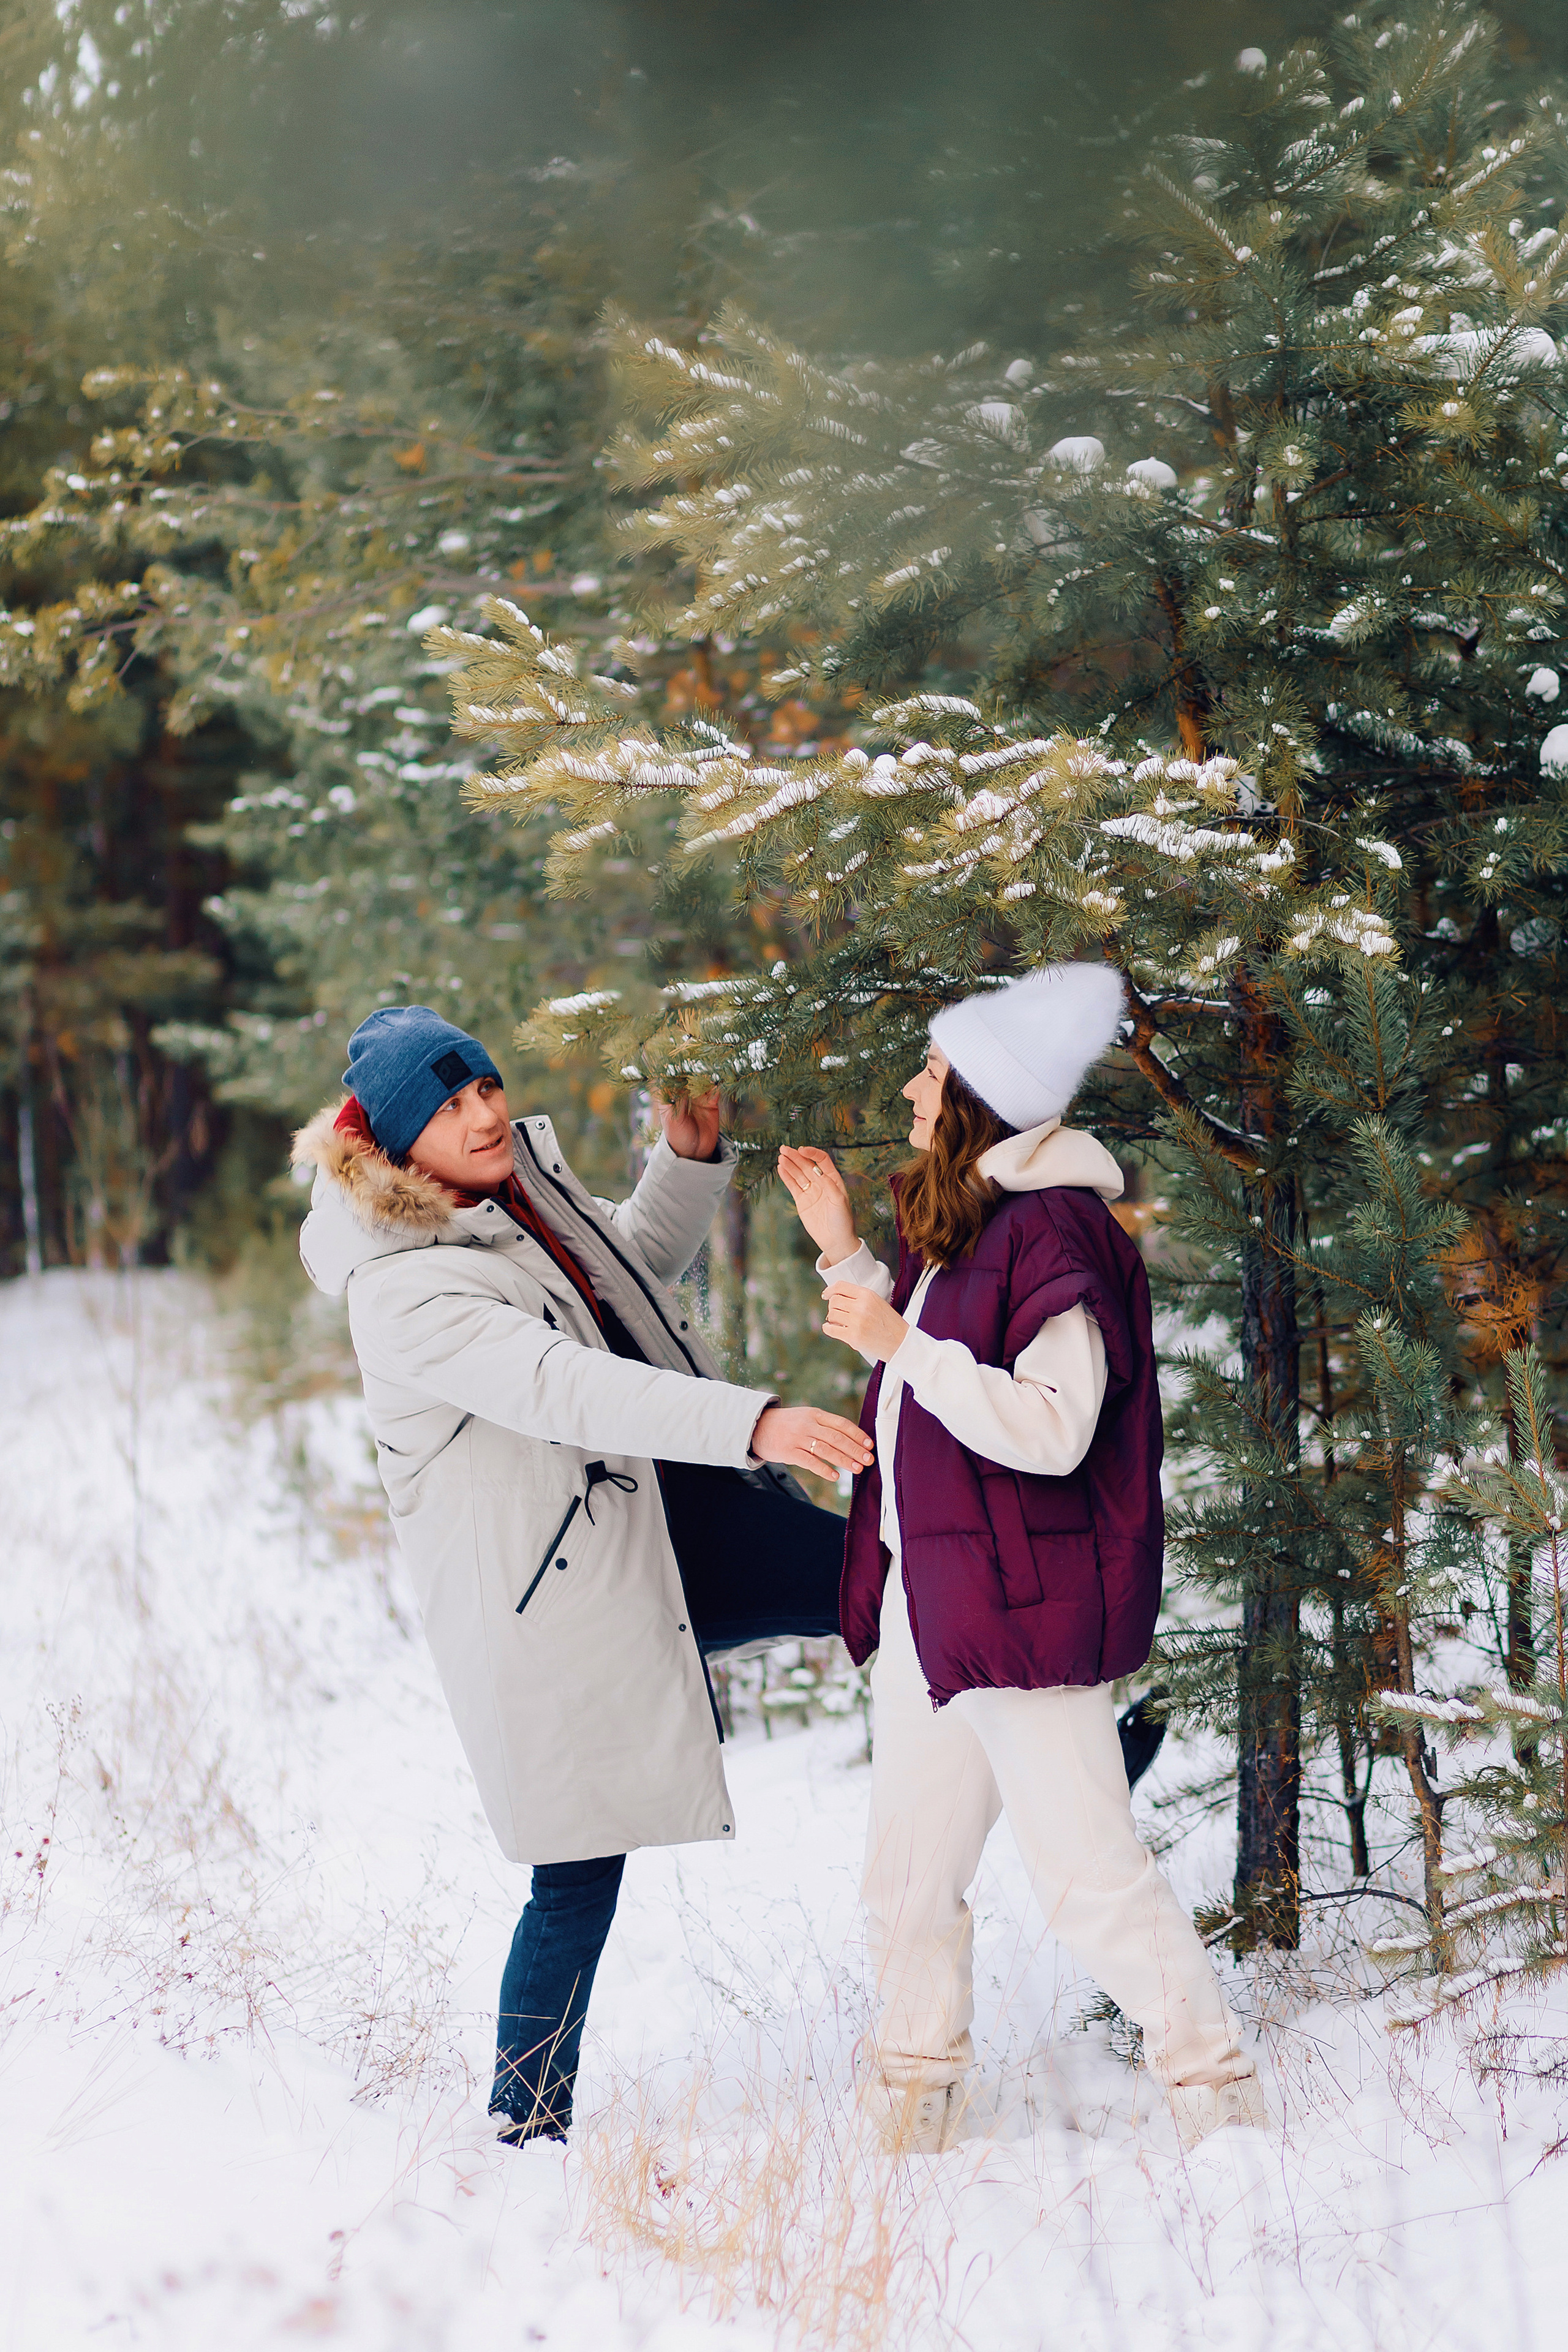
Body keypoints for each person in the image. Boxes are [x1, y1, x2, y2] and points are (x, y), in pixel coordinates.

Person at [293, 1005, 872, 2147]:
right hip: (564, 1591)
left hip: (672, 1517)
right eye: (451, 1106)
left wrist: (687, 1159)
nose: (485, 1114)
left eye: (487, 1087)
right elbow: (564, 1382)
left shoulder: (511, 1190)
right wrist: (754, 1420)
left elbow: (628, 1269)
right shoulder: (400, 1289)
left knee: (891, 1588)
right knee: (575, 1872)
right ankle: (524, 2122)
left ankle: (1065, 1771)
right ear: (397, 1143)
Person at [777, 963, 1267, 2154]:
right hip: (937, 1601)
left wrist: (899, 1340)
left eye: (930, 1072)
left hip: (1017, 1605)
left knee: (1087, 1876)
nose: (911, 1089)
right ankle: (914, 2100)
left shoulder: (1053, 1229)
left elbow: (1051, 1429)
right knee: (907, 1875)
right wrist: (848, 1261)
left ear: (980, 1100)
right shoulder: (975, 1222)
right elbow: (934, 1353)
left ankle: (1219, 2101)